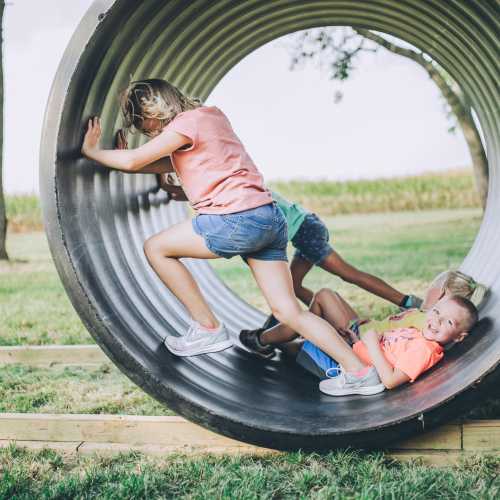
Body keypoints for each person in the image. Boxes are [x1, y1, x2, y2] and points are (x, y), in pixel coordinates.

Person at [81, 79, 380, 377]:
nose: (145, 131)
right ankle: (358, 373)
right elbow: (160, 164)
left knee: (156, 247)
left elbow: (135, 160)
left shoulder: (186, 124)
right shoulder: (210, 118)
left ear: (153, 108)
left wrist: (93, 152)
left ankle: (207, 327)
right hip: (269, 219)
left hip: (235, 218)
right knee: (289, 312)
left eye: (142, 123)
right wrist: (118, 160)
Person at [240, 270, 486, 395]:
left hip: (359, 345)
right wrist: (361, 340)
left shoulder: (426, 326)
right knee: (319, 311)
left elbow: (391, 369)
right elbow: (392, 342)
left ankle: (269, 337)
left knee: (319, 306)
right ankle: (287, 332)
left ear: (442, 294)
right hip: (360, 337)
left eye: (432, 287)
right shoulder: (427, 322)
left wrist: (366, 341)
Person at [261, 191, 422, 331]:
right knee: (293, 285)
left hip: (306, 232)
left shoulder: (249, 195)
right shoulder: (253, 188)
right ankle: (326, 314)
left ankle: (408, 301)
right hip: (309, 224)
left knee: (349, 274)